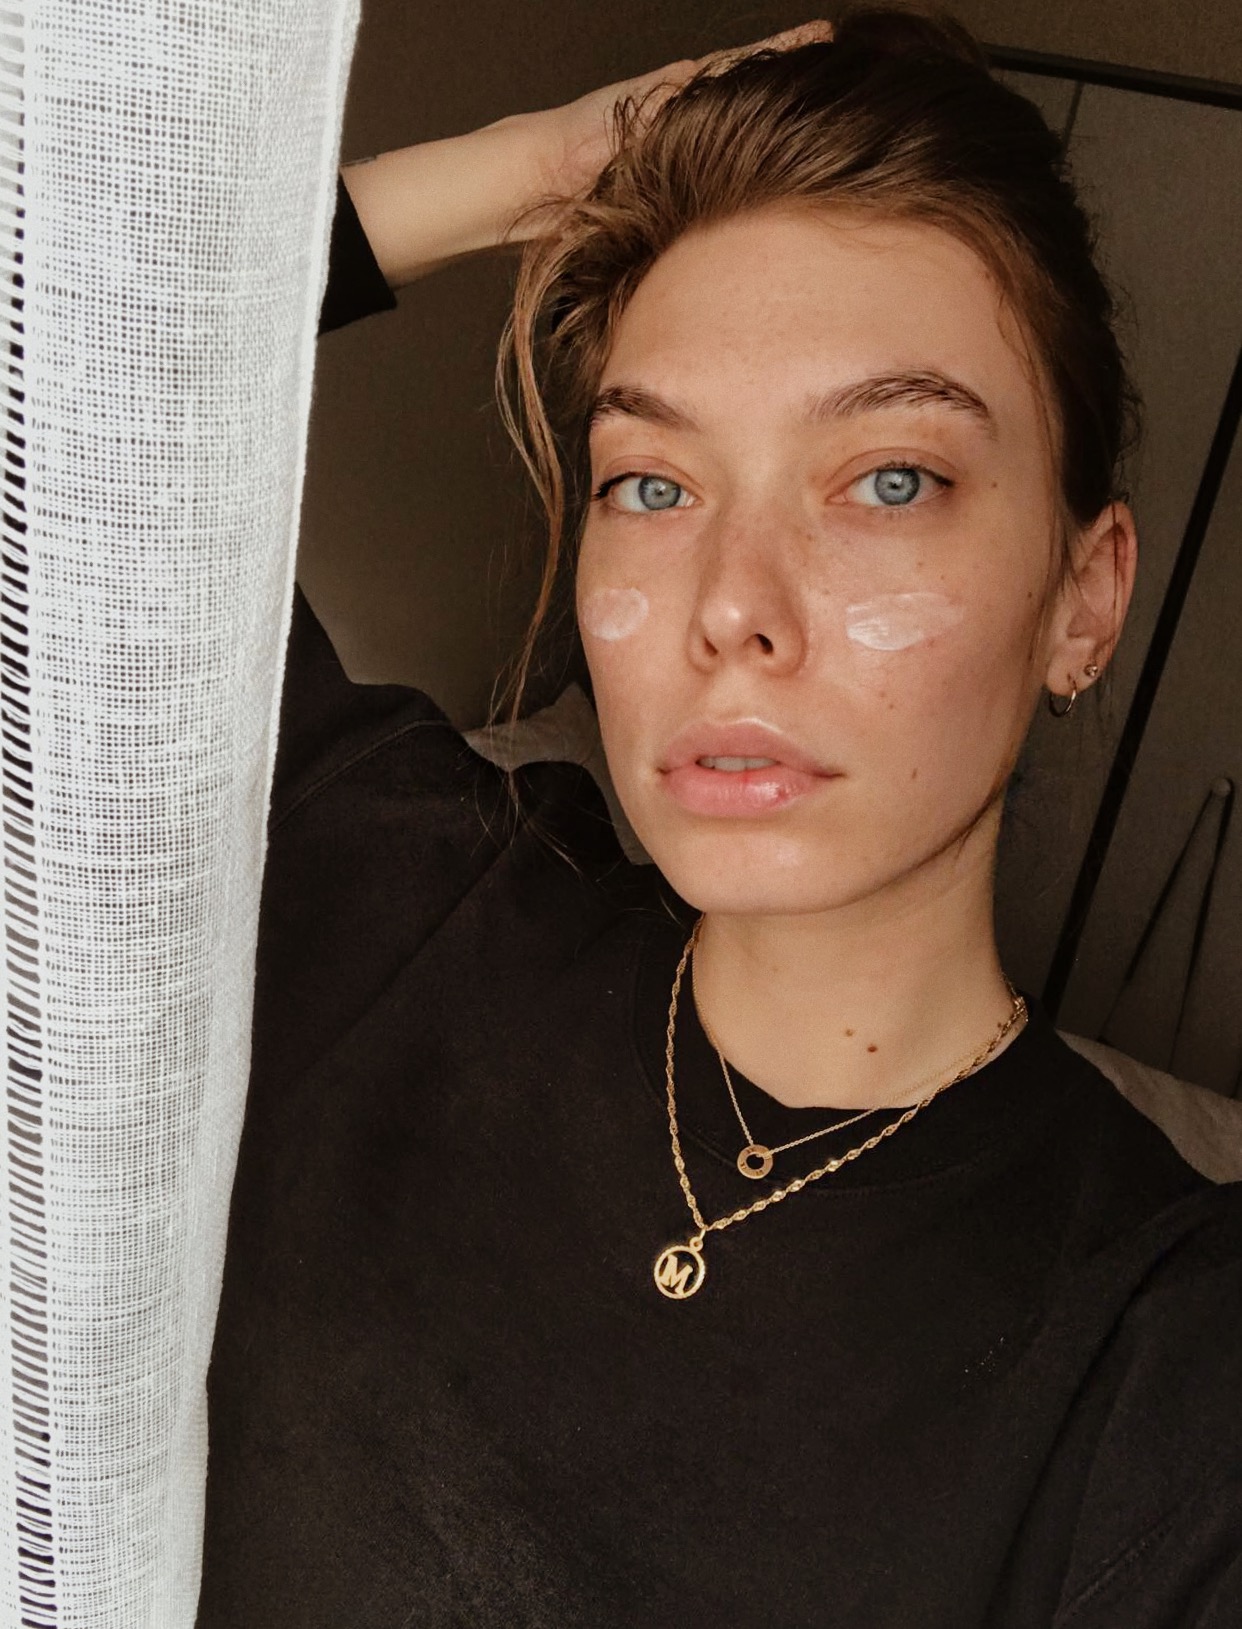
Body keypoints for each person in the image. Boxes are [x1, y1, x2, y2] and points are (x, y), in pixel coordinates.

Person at [197, 12, 1242, 1627]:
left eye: (888, 479)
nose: (730, 606)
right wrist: (516, 173)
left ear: (1081, 599)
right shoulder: (414, 894)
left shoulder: (1163, 1366)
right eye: (654, 484)